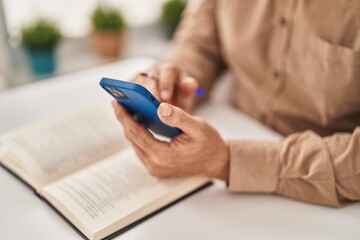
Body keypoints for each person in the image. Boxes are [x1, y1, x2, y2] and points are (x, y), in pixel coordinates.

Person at [112, 0, 360, 207]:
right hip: (226, 153)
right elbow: (200, 44)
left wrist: (228, 161)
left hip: (326, 199)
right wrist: (175, 82)